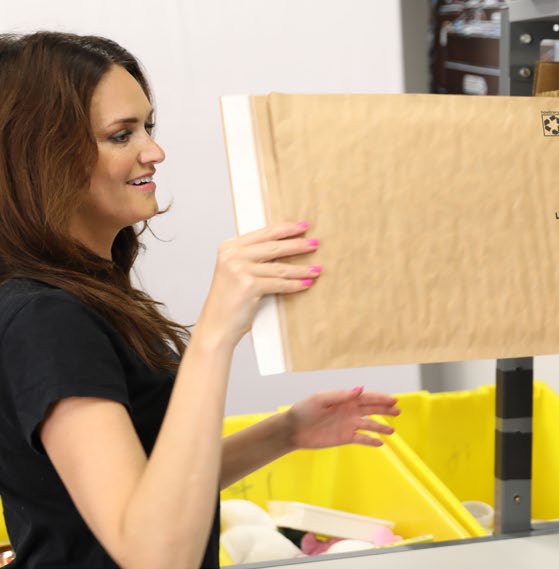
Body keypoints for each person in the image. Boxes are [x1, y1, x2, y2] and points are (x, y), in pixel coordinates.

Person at [0, 31, 400, 569]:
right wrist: (217, 330)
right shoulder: (45, 320)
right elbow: (154, 555)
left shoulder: (81, 294)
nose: (154, 151)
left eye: (148, 127)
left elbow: (154, 488)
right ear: (41, 155)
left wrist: (285, 432)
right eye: (122, 135)